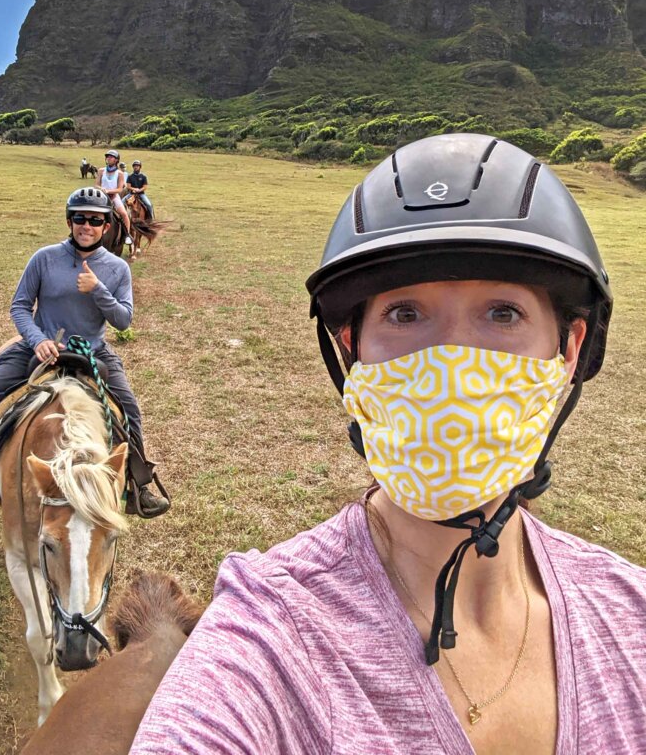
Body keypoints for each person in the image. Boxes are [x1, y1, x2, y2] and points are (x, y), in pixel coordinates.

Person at [130, 134, 646, 753]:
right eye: (405, 314)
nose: (452, 364)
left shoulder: (631, 615)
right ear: (352, 352)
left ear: (567, 352)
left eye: (503, 314)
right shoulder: (269, 633)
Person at [0, 188, 169, 518]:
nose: (86, 226)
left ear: (106, 226)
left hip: (93, 350)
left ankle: (140, 482)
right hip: (40, 346)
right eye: (80, 218)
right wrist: (37, 340)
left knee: (129, 407)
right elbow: (21, 306)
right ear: (69, 221)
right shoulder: (44, 258)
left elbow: (123, 320)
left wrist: (98, 289)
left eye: (95, 220)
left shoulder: (117, 268)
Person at [96, 149, 132, 243]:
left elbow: (120, 189)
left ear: (116, 160)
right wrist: (101, 189)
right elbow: (96, 185)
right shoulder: (101, 171)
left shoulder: (119, 173)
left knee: (124, 214)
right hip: (101, 197)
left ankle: (127, 235)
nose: (108, 158)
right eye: (107, 157)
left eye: (111, 157)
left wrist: (108, 190)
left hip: (114, 197)